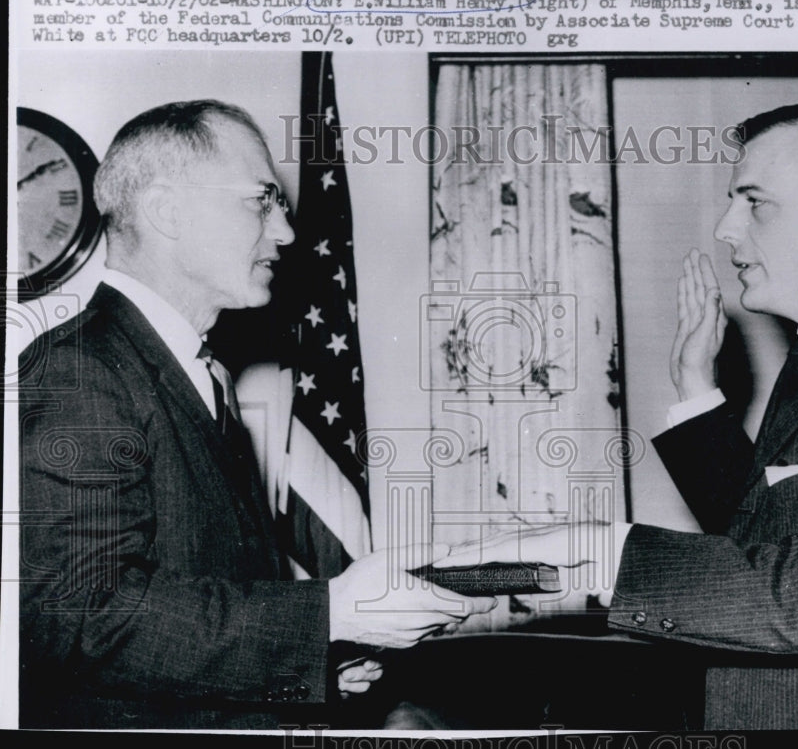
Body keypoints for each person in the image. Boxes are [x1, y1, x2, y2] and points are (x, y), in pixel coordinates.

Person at [442, 100, 798, 730]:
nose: (727, 228)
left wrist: (605, 551)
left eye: (755, 202)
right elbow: (766, 540)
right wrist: (697, 389)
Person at [18, 100, 495, 730]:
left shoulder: (191, 368)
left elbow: (195, 590)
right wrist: (326, 614)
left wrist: (308, 661)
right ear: (167, 211)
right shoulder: (79, 371)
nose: (287, 232)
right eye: (262, 199)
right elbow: (76, 613)